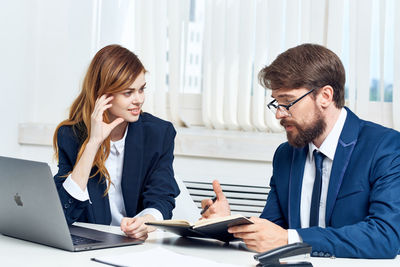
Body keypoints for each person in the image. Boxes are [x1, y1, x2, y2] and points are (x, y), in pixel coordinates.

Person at [201, 43, 400, 258]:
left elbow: (385, 236)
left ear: (325, 96)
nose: (279, 114)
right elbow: (271, 230)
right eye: (276, 103)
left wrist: (291, 239)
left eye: (287, 102)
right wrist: (227, 226)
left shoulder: (384, 147)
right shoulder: (285, 154)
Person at [53, 44, 180, 240]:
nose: (139, 99)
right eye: (128, 93)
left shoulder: (158, 134)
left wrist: (146, 222)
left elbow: (162, 197)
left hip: (136, 245)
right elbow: (62, 212)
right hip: (90, 242)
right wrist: (93, 143)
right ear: (102, 95)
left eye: (141, 89)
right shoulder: (70, 136)